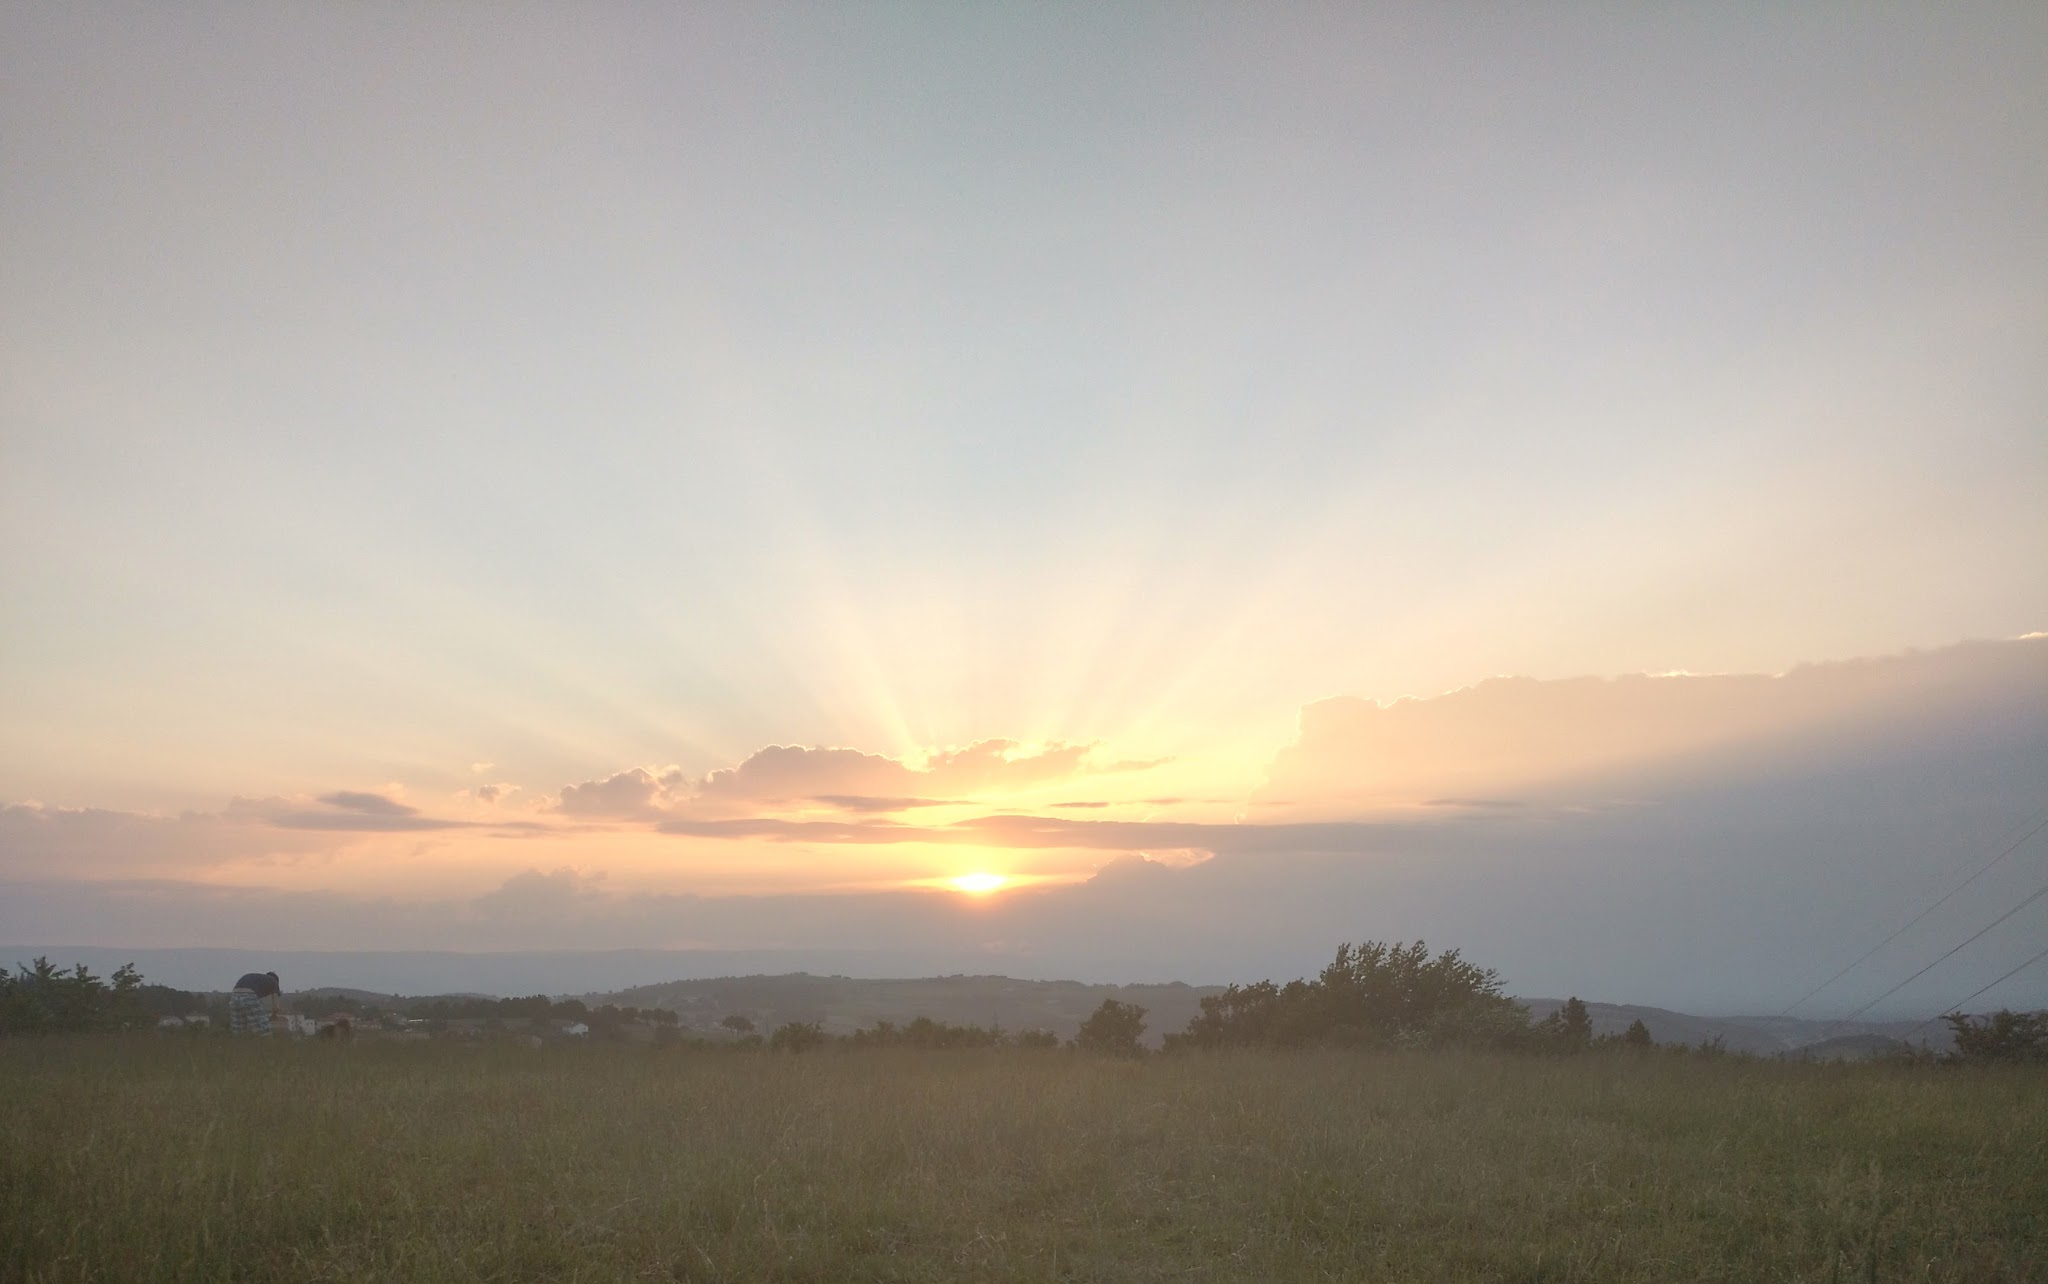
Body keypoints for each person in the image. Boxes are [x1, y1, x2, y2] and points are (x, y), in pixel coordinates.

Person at [230, 970, 282, 1036]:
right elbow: (275, 1007)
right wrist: (274, 1014)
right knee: (264, 1031)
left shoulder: (257, 978)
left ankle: (238, 1044)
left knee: (239, 1030)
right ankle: (268, 1044)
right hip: (249, 996)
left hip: (234, 996)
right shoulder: (274, 981)